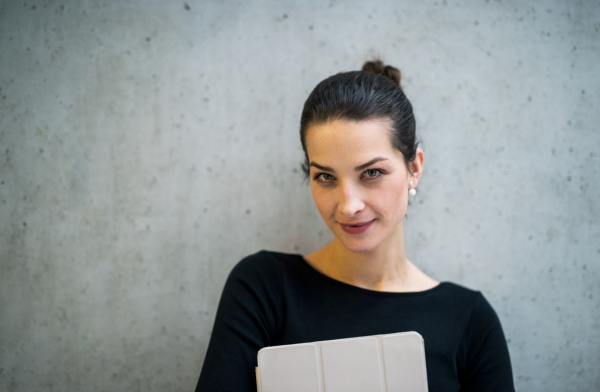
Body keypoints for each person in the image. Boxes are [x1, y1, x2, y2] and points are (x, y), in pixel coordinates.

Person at [195, 61, 515, 391]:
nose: (349, 206)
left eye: (372, 173)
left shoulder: (470, 320)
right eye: (326, 177)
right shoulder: (263, 288)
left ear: (414, 168)